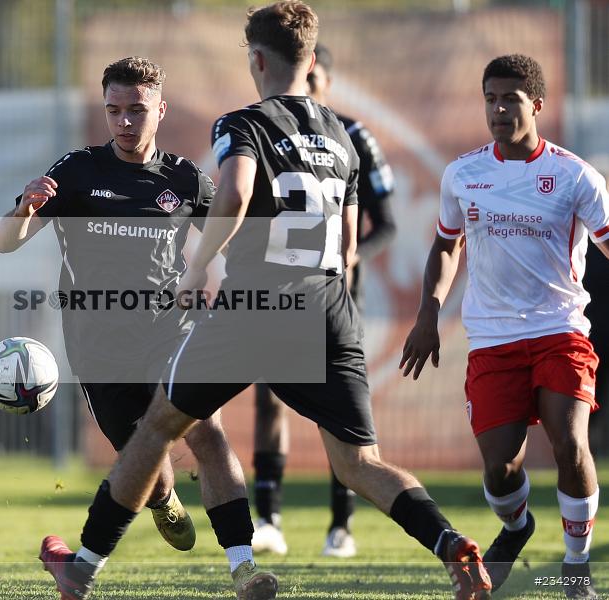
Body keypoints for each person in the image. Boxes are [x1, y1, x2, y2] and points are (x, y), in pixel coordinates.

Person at [40, 3, 491, 600]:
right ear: (310, 60)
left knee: (158, 428)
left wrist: (199, 267)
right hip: (329, 306)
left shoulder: (243, 124)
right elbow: (351, 243)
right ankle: (452, 545)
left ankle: (83, 569)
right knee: (359, 464)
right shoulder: (343, 134)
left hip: (257, 304)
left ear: (256, 59)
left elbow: (235, 193)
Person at [0, 56, 258, 591]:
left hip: (171, 329)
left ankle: (244, 565)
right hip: (96, 345)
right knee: (143, 457)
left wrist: (215, 272)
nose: (125, 122)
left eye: (137, 110)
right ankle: (163, 496)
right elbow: (5, 242)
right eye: (114, 111)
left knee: (207, 430)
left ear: (159, 110)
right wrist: (25, 208)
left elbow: (234, 231)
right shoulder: (76, 171)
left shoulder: (184, 180)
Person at [401, 54, 609, 599]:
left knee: (569, 442)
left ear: (535, 104)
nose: (497, 108)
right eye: (490, 97)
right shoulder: (463, 174)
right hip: (492, 339)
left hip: (560, 330)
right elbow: (447, 245)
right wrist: (428, 313)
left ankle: (574, 567)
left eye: (510, 98)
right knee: (500, 471)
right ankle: (518, 527)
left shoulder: (575, 176)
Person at [251, 43, 396, 559]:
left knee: (339, 417)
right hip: (282, 293)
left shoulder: (352, 135)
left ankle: (342, 525)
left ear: (323, 82)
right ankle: (267, 518)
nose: (302, 97)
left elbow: (388, 222)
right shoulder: (267, 133)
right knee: (270, 400)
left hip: (335, 296)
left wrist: (349, 258)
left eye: (311, 87)